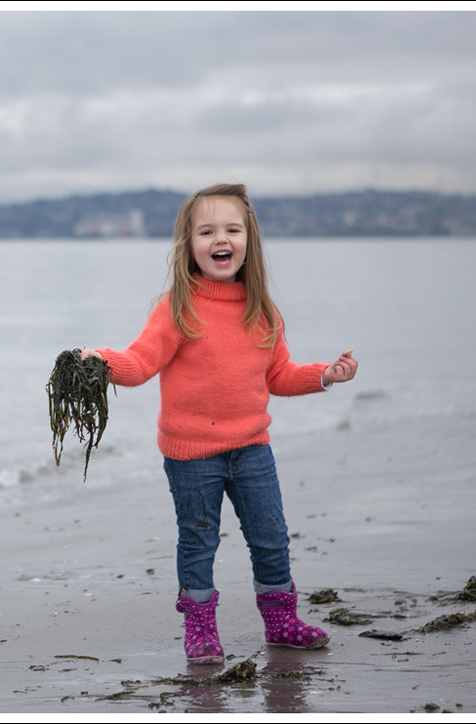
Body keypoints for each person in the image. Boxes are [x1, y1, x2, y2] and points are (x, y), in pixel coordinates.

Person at [81, 183, 357, 664]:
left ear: (249, 240)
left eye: (232, 229)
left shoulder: (261, 309)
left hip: (252, 450)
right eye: (206, 231)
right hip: (190, 455)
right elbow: (140, 363)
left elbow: (278, 375)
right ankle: (201, 631)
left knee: (271, 538)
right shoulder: (176, 308)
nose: (220, 239)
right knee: (198, 542)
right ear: (188, 245)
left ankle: (281, 623)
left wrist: (324, 375)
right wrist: (100, 361)